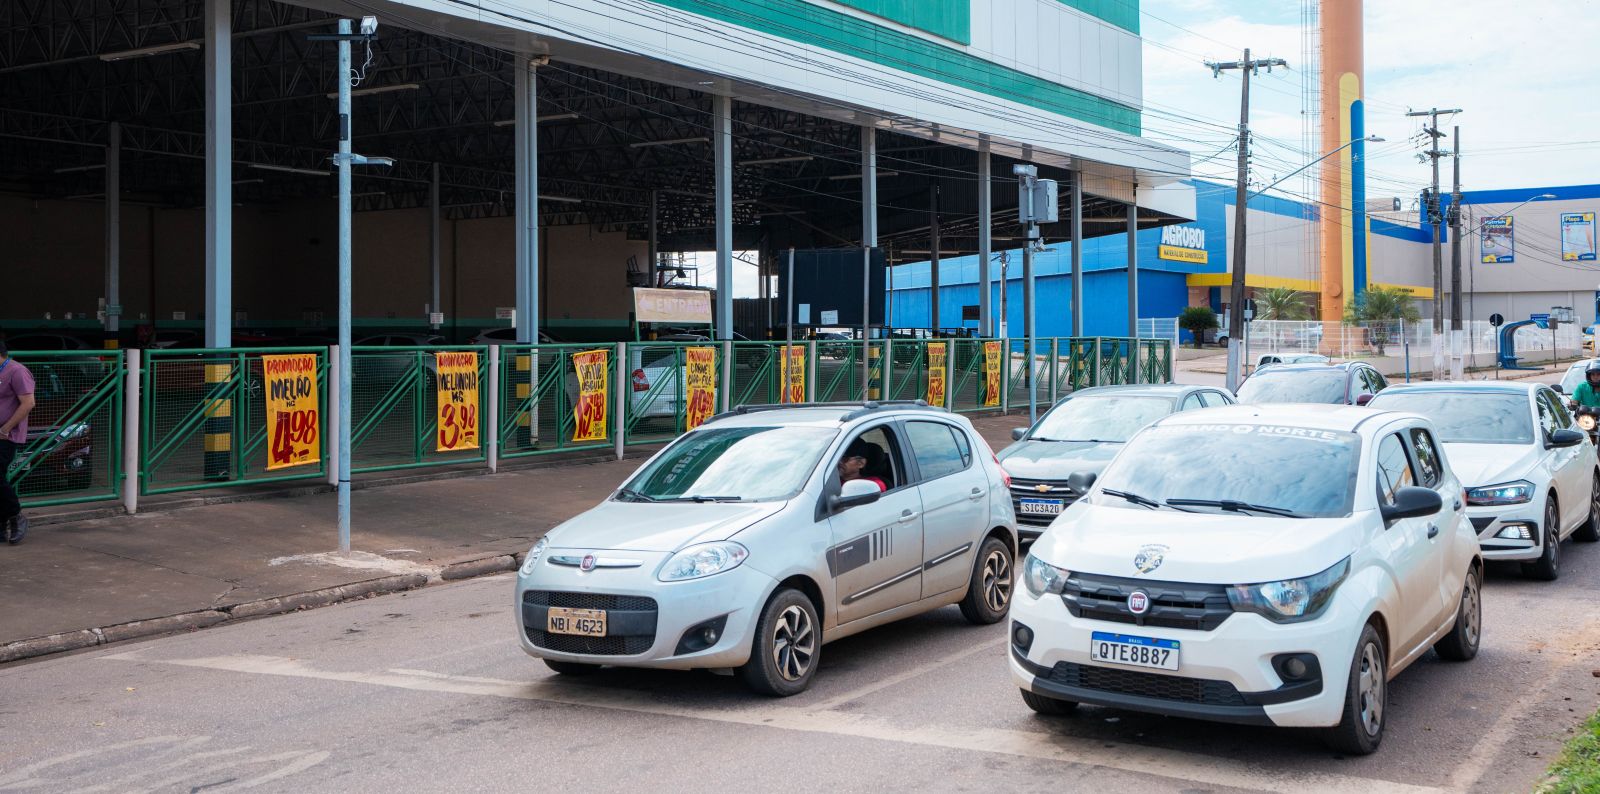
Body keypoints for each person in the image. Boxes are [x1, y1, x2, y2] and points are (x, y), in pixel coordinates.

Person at [0, 340, 35, 544]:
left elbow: (28, 403)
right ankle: (2, 526)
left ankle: (16, 515)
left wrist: (6, 428)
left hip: (6, 436)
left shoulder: (17, 371)